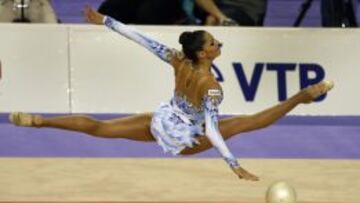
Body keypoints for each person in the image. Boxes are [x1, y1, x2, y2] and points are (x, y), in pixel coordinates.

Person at [9, 6, 334, 181]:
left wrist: (105, 20)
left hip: (162, 121)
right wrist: (235, 165)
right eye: (214, 43)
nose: (219, 44)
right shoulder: (212, 88)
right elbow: (213, 132)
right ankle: (300, 97)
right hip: (186, 138)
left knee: (101, 127)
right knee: (246, 123)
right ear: (204, 54)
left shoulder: (177, 59)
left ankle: (40, 121)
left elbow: (139, 37)